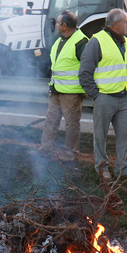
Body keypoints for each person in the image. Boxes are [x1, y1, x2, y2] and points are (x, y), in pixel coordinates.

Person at [78, 9, 127, 182]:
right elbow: (84, 72)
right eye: (126, 22)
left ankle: (124, 170)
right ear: (116, 24)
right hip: (105, 97)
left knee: (126, 135)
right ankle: (102, 168)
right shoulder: (97, 41)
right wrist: (97, 96)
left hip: (125, 97)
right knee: (100, 136)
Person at [38, 10, 87, 159]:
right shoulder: (59, 40)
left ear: (64, 25)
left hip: (71, 93)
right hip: (56, 90)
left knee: (71, 124)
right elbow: (56, 65)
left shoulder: (82, 42)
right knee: (51, 121)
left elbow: (88, 67)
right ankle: (45, 149)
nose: (57, 25)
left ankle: (71, 153)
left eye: (58, 23)